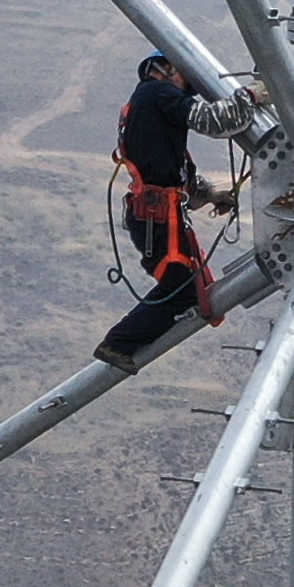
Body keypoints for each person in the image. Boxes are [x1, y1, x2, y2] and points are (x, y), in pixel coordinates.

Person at [99, 49, 246, 369]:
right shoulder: (157, 93)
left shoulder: (148, 102)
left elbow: (167, 167)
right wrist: (249, 98)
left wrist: (209, 194)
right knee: (182, 290)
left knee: (187, 288)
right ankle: (119, 343)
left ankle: (122, 342)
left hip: (157, 215)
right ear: (167, 69)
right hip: (157, 218)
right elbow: (215, 121)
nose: (187, 86)